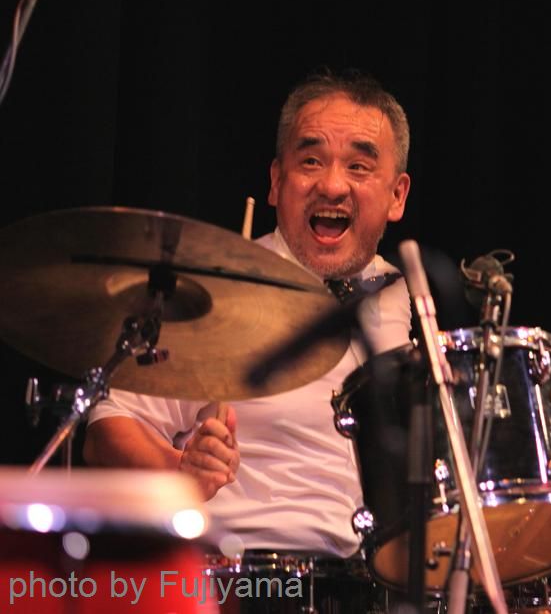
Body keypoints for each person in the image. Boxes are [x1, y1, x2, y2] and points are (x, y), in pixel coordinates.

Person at [83, 70, 413, 559]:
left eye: (359, 167)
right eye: (311, 161)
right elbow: (109, 425)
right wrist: (179, 471)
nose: (332, 184)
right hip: (244, 573)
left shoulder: (402, 292)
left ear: (397, 196)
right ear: (277, 182)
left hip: (368, 581)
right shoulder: (219, 289)